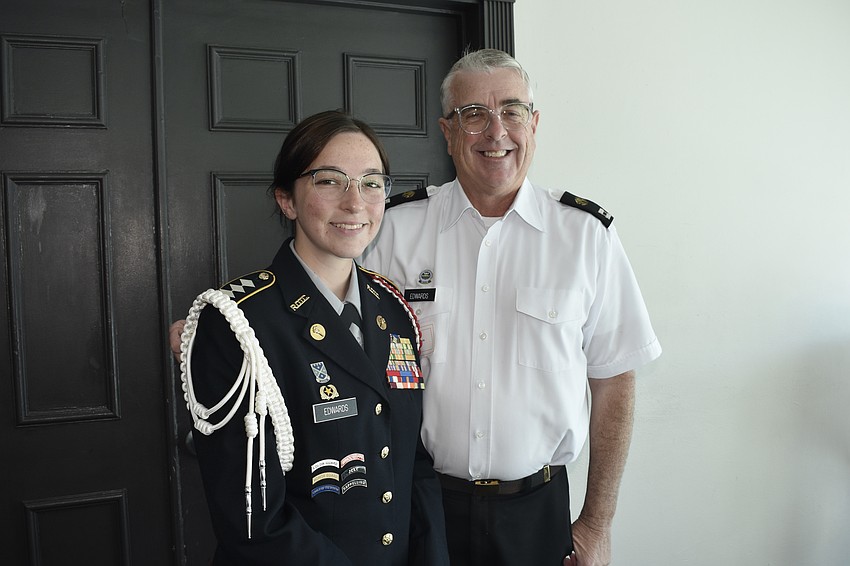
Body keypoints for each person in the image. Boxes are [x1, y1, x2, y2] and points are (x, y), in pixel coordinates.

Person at [360, 49, 662, 566]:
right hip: (422, 505)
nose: (495, 131)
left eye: (512, 111)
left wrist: (597, 523)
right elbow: (345, 354)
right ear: (448, 132)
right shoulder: (394, 231)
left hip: (538, 513)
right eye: (473, 114)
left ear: (534, 124)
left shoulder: (585, 237)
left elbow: (614, 381)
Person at [178, 110, 449, 565]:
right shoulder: (236, 323)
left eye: (371, 182)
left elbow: (414, 466)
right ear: (287, 199)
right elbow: (253, 523)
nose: (355, 203)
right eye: (329, 181)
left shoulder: (394, 310)